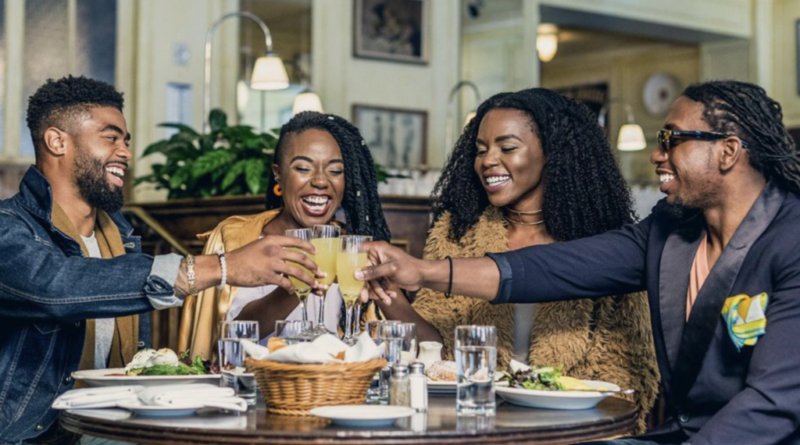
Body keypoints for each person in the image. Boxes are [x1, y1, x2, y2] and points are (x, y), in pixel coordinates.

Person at [358, 80, 800, 445]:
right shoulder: (671, 229)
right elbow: (551, 268)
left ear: (728, 151)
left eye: (671, 139)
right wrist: (421, 270)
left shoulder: (791, 241)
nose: (656, 155)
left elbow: (774, 404)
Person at [0, 76, 320, 444]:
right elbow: (56, 286)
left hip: (114, 426)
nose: (125, 152)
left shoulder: (121, 239)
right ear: (58, 141)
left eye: (126, 140)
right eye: (111, 137)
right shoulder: (10, 229)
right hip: (35, 435)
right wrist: (222, 266)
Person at [376, 88, 658, 432]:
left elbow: (625, 374)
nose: (488, 160)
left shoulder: (604, 245)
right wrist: (388, 292)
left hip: (570, 431)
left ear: (553, 153)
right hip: (473, 426)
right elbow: (438, 354)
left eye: (507, 148)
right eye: (481, 150)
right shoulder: (458, 233)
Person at [178, 111, 391, 358]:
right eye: (303, 168)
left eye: (335, 171)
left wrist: (394, 280)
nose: (321, 181)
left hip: (333, 390)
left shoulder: (351, 248)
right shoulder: (236, 237)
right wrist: (296, 283)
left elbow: (402, 342)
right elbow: (226, 346)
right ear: (278, 174)